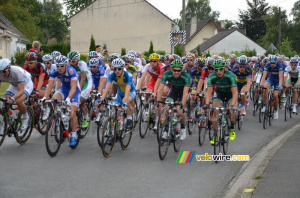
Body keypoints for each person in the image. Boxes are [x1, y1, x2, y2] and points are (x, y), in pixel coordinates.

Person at [41, 55, 81, 146]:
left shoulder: (71, 71)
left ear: (66, 65)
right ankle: (59, 118)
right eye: (58, 66)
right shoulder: (54, 71)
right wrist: (44, 97)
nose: (59, 68)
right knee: (54, 99)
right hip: (64, 89)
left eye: (62, 66)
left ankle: (74, 134)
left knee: (72, 112)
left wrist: (68, 99)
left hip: (73, 91)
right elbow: (50, 86)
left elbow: (74, 88)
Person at [204, 60, 238, 144]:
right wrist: (207, 104)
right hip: (219, 94)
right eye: (216, 70)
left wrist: (233, 105)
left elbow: (235, 93)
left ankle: (232, 127)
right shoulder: (212, 76)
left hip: (230, 94)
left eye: (220, 69)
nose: (218, 72)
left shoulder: (230, 75)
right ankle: (215, 135)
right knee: (215, 111)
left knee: (232, 112)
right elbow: (208, 92)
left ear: (224, 69)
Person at [159, 60, 191, 140]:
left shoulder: (186, 76)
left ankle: (183, 128)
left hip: (183, 92)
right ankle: (166, 130)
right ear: (171, 69)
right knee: (167, 107)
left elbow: (185, 93)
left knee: (179, 110)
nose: (176, 72)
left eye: (178, 70)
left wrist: (182, 106)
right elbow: (160, 89)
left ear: (182, 70)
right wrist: (158, 101)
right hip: (173, 91)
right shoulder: (166, 74)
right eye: (174, 70)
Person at [100, 58, 136, 130]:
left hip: (130, 91)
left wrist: (125, 100)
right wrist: (101, 99)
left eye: (119, 69)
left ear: (122, 68)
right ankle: (113, 132)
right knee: (114, 109)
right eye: (115, 69)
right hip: (120, 92)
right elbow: (107, 87)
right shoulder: (112, 75)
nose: (117, 71)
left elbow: (128, 88)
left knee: (126, 103)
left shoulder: (128, 75)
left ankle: (129, 118)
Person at [0, 59, 33, 130]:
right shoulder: (1, 73)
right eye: (0, 72)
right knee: (6, 98)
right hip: (14, 84)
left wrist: (13, 98)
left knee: (18, 101)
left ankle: (25, 117)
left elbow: (21, 90)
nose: (2, 74)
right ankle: (8, 117)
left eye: (4, 72)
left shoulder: (17, 72)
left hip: (26, 84)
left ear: (9, 68)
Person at [67, 51, 93, 128]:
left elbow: (83, 80)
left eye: (73, 61)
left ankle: (86, 118)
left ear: (77, 60)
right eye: (70, 61)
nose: (71, 63)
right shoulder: (68, 65)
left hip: (86, 83)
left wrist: (78, 92)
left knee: (80, 101)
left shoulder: (82, 64)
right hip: (76, 81)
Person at [260, 55, 283, 119]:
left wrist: (280, 87)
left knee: (275, 95)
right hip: (271, 79)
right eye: (271, 63)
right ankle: (264, 105)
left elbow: (281, 78)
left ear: (276, 62)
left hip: (278, 80)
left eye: (274, 63)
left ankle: (276, 110)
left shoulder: (279, 66)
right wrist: (261, 84)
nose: (272, 64)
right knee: (265, 88)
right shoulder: (267, 65)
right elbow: (264, 76)